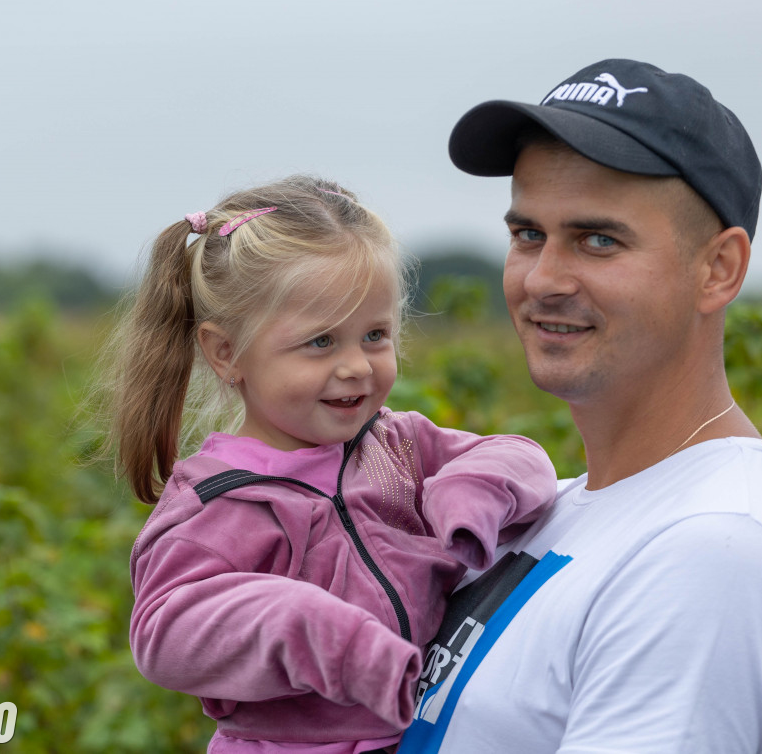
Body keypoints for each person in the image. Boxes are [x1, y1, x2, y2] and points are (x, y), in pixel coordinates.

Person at [399, 59, 762, 753]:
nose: (543, 279)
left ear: (718, 269)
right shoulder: (560, 510)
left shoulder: (713, 549)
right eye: (527, 234)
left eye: (598, 240)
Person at [113, 175, 558, 754]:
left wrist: (468, 496)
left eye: (374, 335)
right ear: (227, 353)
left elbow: (517, 456)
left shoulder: (394, 445)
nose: (356, 366)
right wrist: (323, 635)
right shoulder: (221, 502)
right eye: (321, 342)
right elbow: (164, 632)